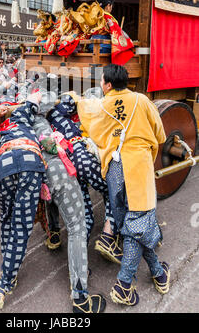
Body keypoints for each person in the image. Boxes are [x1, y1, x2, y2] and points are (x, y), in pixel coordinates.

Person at [77, 64, 170, 306]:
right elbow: (160, 135)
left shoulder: (103, 106)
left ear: (107, 85)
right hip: (138, 168)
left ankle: (159, 273)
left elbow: (93, 130)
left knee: (133, 226)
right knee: (138, 225)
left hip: (115, 171)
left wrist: (74, 98)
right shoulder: (141, 100)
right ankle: (124, 285)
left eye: (101, 81)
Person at [32, 91, 106, 313]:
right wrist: (64, 144)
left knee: (53, 205)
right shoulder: (42, 120)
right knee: (77, 228)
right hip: (57, 170)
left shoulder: (21, 118)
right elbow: (50, 145)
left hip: (37, 172)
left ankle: (54, 235)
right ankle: (80, 297)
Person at [0, 92, 46, 311]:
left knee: (7, 217)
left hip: (4, 163)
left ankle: (9, 268)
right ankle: (4, 284)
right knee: (22, 224)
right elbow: (37, 97)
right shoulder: (23, 113)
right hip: (29, 160)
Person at [46, 93, 121, 263]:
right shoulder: (62, 108)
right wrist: (75, 97)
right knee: (113, 192)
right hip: (81, 156)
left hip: (66, 166)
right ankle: (108, 237)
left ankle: (80, 264)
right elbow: (73, 100)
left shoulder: (41, 123)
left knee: (85, 215)